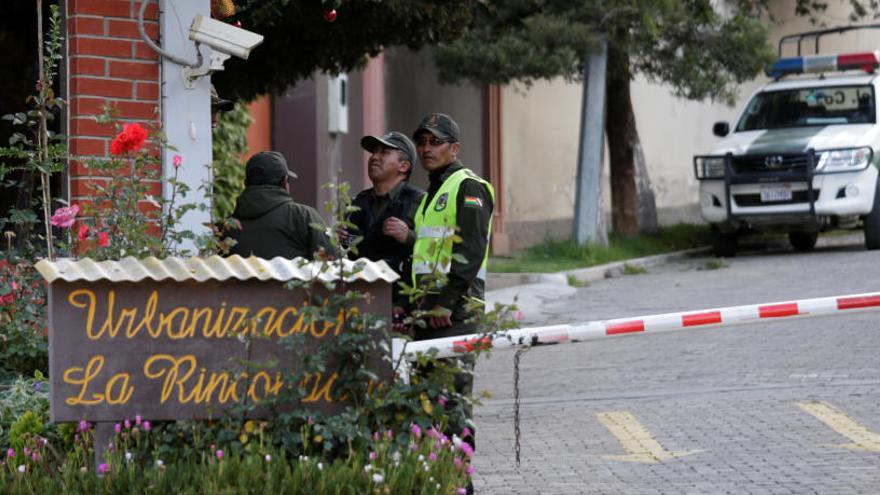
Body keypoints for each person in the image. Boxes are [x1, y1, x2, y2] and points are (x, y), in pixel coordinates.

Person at [410, 113, 495, 339]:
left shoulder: (469, 186)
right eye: (421, 142)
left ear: (455, 148)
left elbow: (472, 248)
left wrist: (447, 302)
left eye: (436, 142)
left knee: (452, 374)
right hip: (428, 304)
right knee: (426, 375)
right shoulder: (433, 191)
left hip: (456, 306)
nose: (426, 149)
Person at [345, 131, 424, 321]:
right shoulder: (356, 202)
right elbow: (348, 257)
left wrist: (409, 237)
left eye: (384, 153)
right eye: (374, 152)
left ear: (403, 166)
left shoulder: (420, 202)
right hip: (360, 304)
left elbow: (438, 252)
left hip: (402, 307)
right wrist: (341, 242)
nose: (374, 157)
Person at [227, 151, 333, 259]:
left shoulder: (225, 228)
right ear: (284, 182)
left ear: (245, 184)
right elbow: (330, 267)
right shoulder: (304, 217)